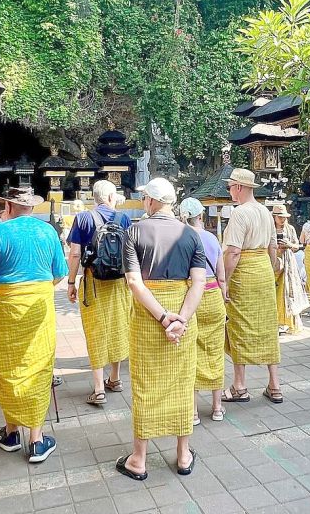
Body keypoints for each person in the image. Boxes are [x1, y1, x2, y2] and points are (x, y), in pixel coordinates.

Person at [116, 178, 206, 481]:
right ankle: (183, 455)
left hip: (148, 317)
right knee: (183, 384)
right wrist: (180, 318)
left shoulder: (134, 232)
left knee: (145, 385)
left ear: (151, 202)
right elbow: (200, 283)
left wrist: (163, 318)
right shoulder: (192, 235)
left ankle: (139, 458)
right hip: (183, 315)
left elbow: (134, 283)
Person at [0, 187, 68, 463]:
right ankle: (36, 439)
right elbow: (60, 274)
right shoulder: (48, 232)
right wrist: (38, 289)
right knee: (39, 364)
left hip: (7, 308)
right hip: (39, 308)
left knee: (7, 366)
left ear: (9, 205)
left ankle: (11, 431)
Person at [219, 168, 283, 404]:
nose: (230, 191)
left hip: (243, 272)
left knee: (239, 325)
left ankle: (239, 385)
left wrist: (223, 281)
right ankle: (274, 384)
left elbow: (234, 252)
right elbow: (273, 246)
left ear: (238, 187)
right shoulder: (266, 212)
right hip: (264, 270)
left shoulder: (239, 213)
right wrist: (273, 267)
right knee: (267, 325)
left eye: (230, 187)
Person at [66, 180, 132, 406]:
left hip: (93, 280)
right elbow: (131, 252)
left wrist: (71, 282)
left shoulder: (83, 218)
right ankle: (115, 378)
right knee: (118, 325)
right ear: (113, 197)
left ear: (93, 198)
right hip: (120, 283)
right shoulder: (124, 219)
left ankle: (98, 388)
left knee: (95, 330)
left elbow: (75, 254)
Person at [179, 198, 227, 425]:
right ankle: (217, 408)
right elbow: (221, 274)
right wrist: (224, 295)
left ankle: (194, 412)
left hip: (190, 297)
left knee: (192, 353)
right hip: (213, 293)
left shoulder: (180, 238)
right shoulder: (211, 238)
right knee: (215, 350)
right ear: (201, 216)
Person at [273, 204, 304, 335]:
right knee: (275, 291)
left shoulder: (290, 228)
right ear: (274, 217)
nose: (282, 219)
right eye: (280, 217)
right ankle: (275, 321)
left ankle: (287, 321)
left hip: (288, 261)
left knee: (287, 291)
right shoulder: (269, 229)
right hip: (274, 261)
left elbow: (297, 246)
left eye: (284, 217)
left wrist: (289, 245)